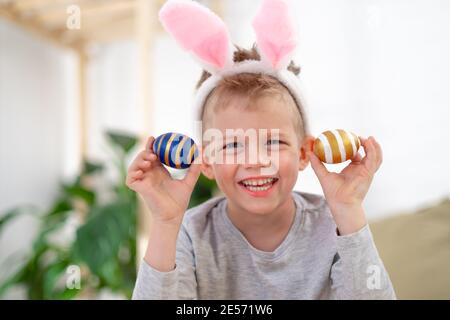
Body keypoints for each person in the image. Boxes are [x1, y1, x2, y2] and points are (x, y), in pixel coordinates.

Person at [127, 0, 396, 299]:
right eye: (231, 145)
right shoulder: (189, 233)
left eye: (273, 142)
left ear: (304, 152)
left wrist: (349, 211)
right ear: (206, 160)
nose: (255, 161)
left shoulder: (334, 226)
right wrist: (165, 223)